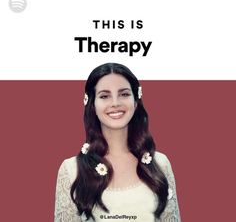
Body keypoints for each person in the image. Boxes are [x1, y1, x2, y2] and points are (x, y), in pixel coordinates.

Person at [54, 62, 181, 222]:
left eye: (124, 94)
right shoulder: (71, 170)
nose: (115, 103)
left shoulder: (160, 164)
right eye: (104, 96)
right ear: (92, 104)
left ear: (136, 101)